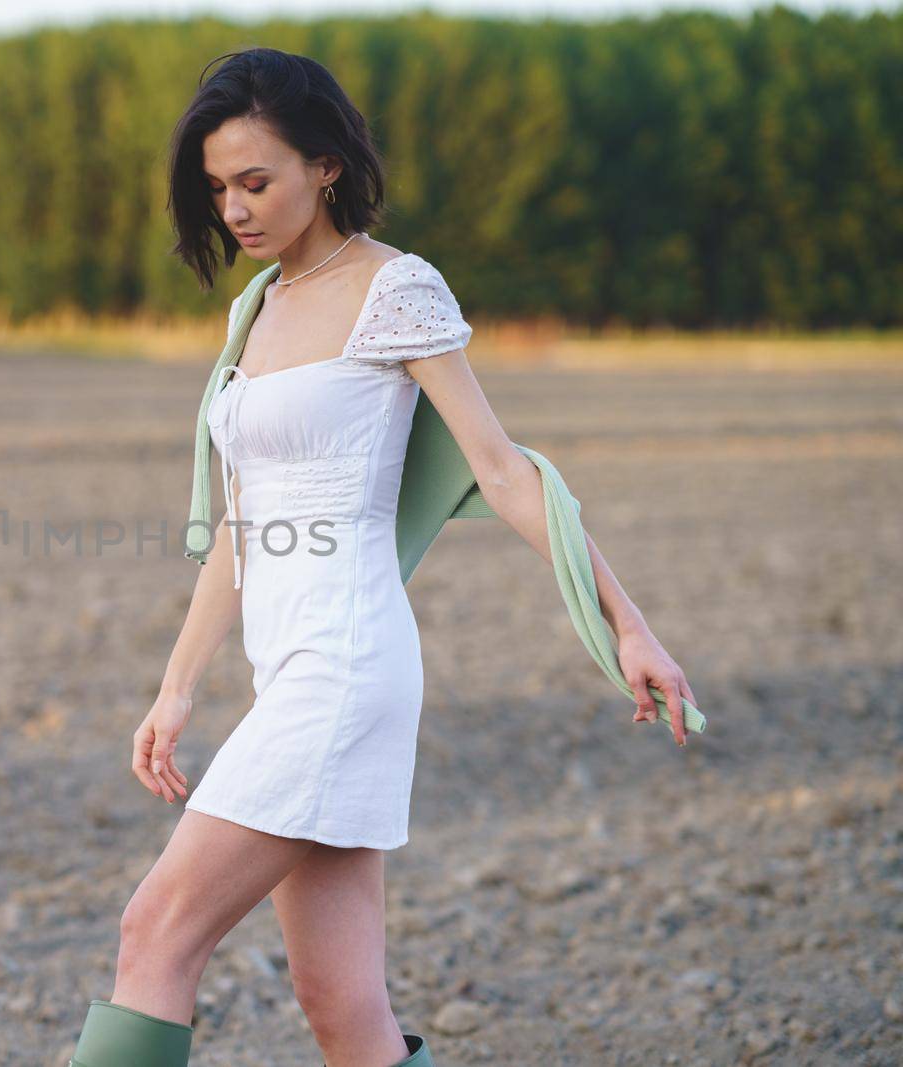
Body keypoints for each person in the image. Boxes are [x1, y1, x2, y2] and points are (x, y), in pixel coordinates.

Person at [65, 48, 697, 1067]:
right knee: (340, 1001)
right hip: (288, 671)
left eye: (254, 181)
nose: (233, 207)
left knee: (153, 930)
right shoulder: (257, 308)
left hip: (345, 667)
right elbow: (242, 521)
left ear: (323, 165)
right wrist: (177, 685)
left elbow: (501, 468)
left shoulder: (394, 288)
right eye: (217, 186)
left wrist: (627, 624)